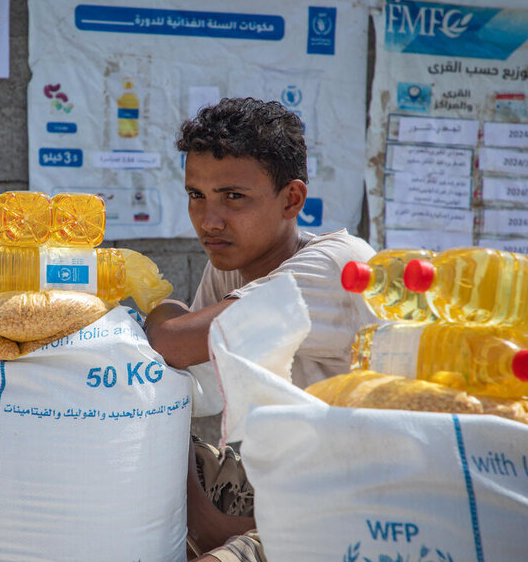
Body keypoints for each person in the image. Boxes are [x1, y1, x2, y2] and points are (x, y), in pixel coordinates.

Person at [144, 97, 376, 561]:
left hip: (358, 501)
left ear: (291, 199)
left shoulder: (336, 263)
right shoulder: (234, 265)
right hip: (278, 479)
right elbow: (177, 382)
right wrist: (202, 514)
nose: (210, 220)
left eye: (234, 197)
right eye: (197, 195)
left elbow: (173, 342)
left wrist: (163, 308)